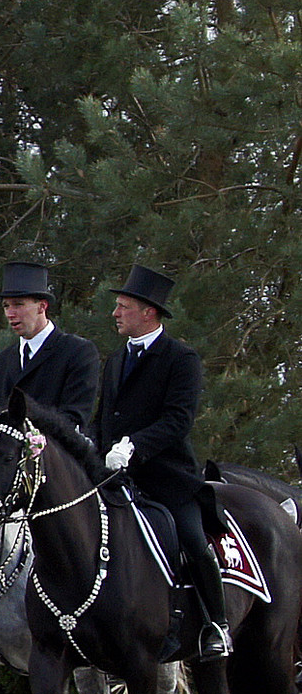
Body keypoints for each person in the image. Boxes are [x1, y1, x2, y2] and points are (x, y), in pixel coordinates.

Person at [93, 264, 227, 660]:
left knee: (192, 540)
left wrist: (134, 445)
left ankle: (215, 624)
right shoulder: (115, 361)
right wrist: (94, 447)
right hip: (116, 475)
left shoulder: (180, 357)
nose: (115, 313)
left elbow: (178, 419)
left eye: (122, 306)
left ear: (148, 311)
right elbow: (105, 415)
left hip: (168, 476)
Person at [0, 261, 100, 432]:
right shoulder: (2, 360)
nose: (10, 313)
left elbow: (75, 416)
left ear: (42, 306)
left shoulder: (77, 351)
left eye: (18, 304)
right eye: (6, 306)